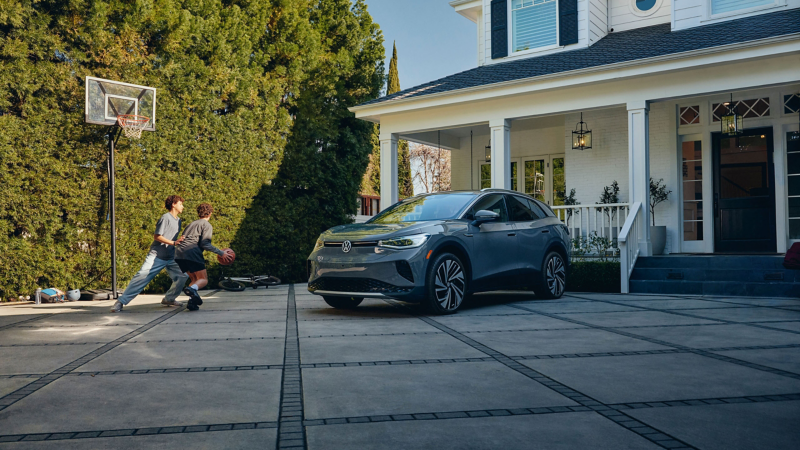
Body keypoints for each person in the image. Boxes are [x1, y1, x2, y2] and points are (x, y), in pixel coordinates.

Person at [111, 195, 189, 312]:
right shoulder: (165, 218)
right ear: (173, 204)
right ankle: (120, 302)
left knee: (183, 275)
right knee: (141, 277)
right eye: (180, 204)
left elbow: (173, 238)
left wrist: (180, 241)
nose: (182, 206)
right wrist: (173, 243)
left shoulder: (178, 221)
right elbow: (157, 236)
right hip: (156, 256)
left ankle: (169, 299)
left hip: (171, 257)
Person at [174, 203, 229, 311]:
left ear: (198, 213)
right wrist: (221, 253)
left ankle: (192, 302)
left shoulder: (192, 224)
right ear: (210, 213)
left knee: (194, 279)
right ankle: (191, 290)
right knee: (203, 279)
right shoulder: (206, 225)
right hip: (192, 252)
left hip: (179, 254)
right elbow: (205, 244)